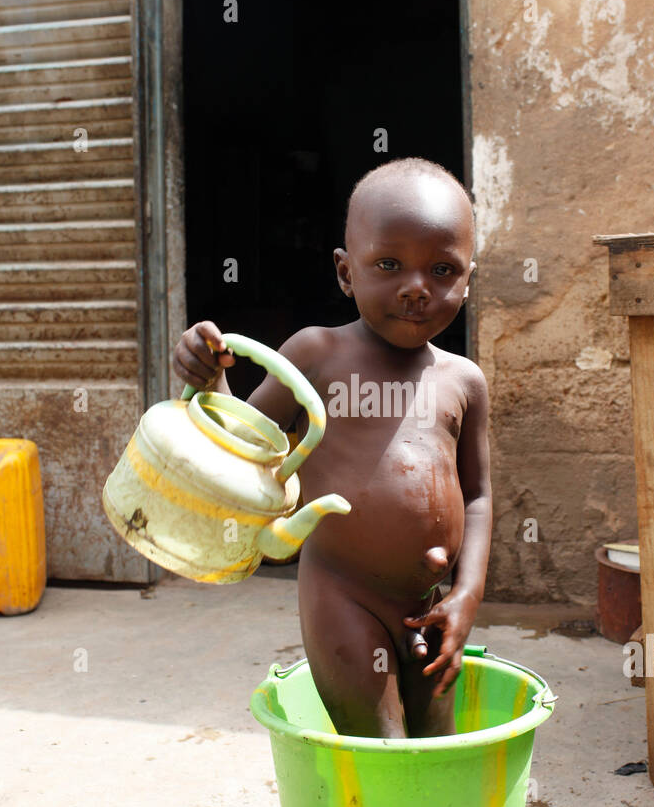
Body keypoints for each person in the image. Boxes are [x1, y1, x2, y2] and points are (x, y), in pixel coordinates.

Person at [173, 157, 492, 738]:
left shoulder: (464, 381)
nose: (416, 287)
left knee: (437, 744)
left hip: (430, 603)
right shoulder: (318, 355)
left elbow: (477, 496)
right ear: (346, 273)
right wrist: (209, 378)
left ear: (469, 279)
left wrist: (467, 594)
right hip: (343, 594)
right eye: (388, 264)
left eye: (442, 269)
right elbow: (243, 444)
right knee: (381, 743)